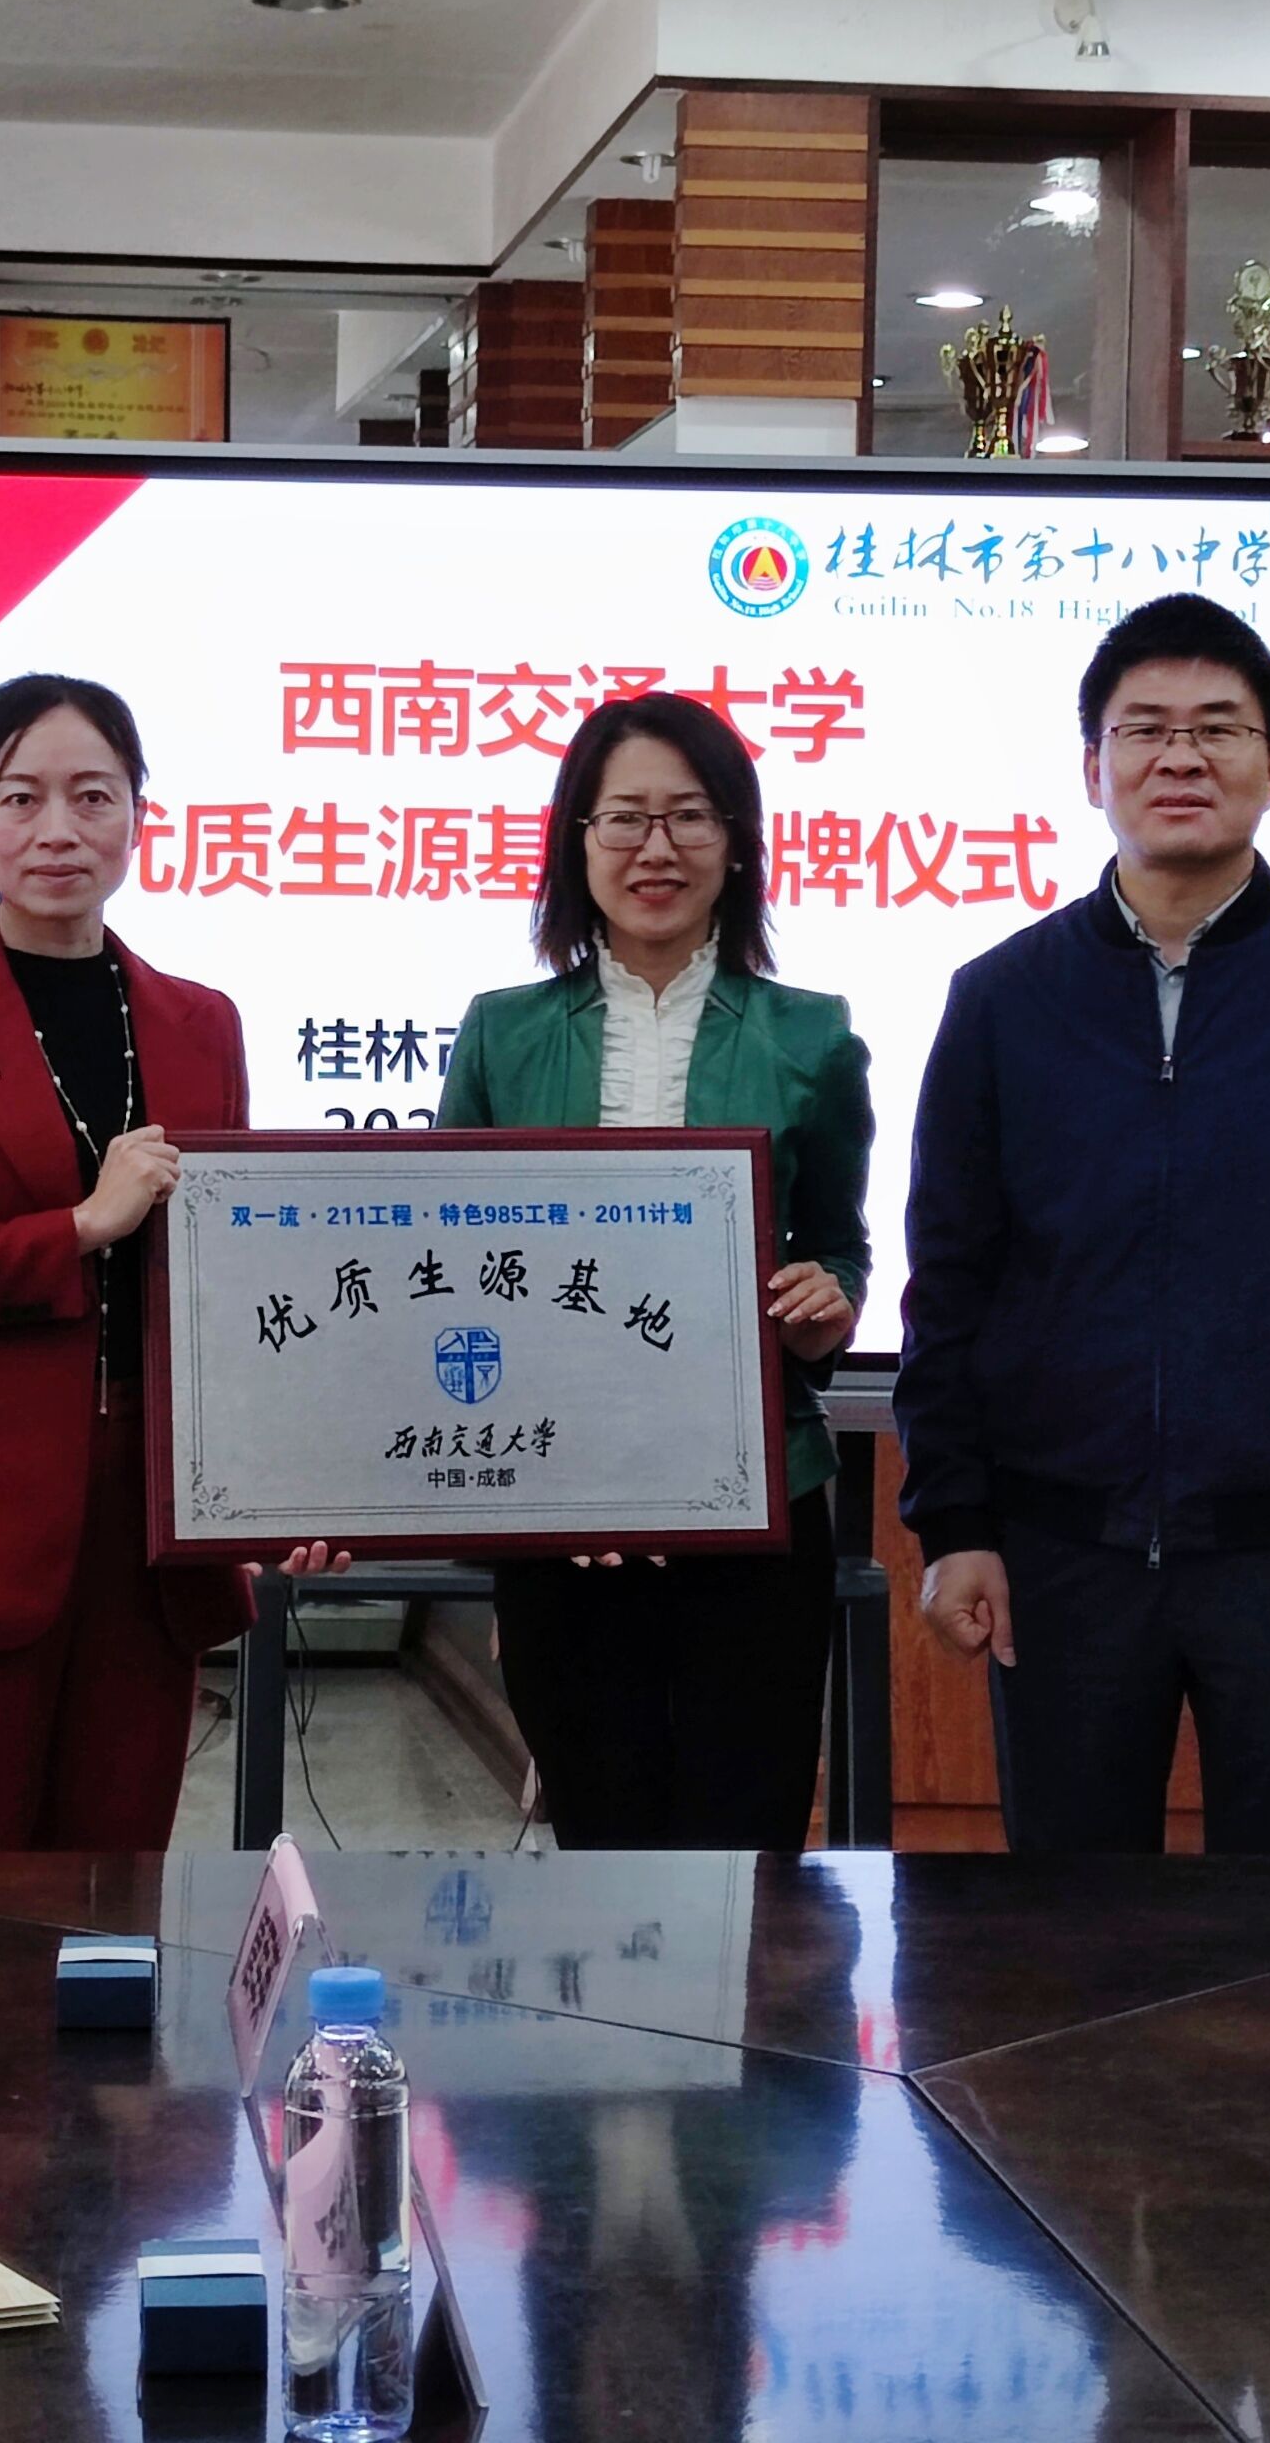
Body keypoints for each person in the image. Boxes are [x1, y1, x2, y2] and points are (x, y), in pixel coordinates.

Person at [894, 591, 1270, 1855]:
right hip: (1058, 1554)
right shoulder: (1002, 1000)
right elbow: (947, 1282)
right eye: (1144, 729)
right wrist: (955, 1525)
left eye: (1217, 728)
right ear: (1090, 767)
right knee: (1069, 1925)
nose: (1180, 757)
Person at [0, 675, 337, 1847]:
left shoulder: (202, 1020)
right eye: (19, 797)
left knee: (116, 1892)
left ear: (140, 816)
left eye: (93, 796)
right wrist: (79, 1227)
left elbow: (233, 1289)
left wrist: (288, 1478)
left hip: (150, 1527)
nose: (58, 829)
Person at [436, 693, 873, 1851]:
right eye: (624, 817)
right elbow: (453, 1267)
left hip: (759, 1503)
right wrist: (548, 1498)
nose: (657, 848)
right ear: (576, 843)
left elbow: (839, 1250)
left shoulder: (813, 1036)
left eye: (690, 816)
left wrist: (825, 1302)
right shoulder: (500, 1034)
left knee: (747, 1845)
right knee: (602, 1841)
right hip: (555, 1506)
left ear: (735, 842)